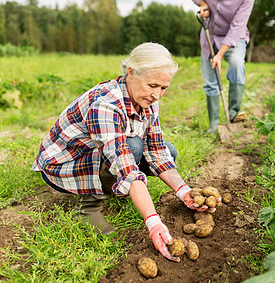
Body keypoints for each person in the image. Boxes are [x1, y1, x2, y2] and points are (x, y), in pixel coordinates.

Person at [31, 42, 218, 262]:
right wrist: (154, 223)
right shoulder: (105, 104)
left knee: (169, 150)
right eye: (152, 85)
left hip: (101, 155)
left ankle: (114, 187)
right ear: (131, 73)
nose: (157, 95)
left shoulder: (147, 100)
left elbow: (157, 151)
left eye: (163, 88)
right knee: (133, 147)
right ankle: (90, 206)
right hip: (64, 166)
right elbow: (126, 165)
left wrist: (184, 192)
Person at [189, 0, 256, 133]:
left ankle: (233, 112)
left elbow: (237, 26)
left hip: (235, 36)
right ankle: (214, 125)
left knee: (237, 64)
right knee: (209, 80)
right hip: (210, 34)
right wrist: (203, 4)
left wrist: (219, 55)